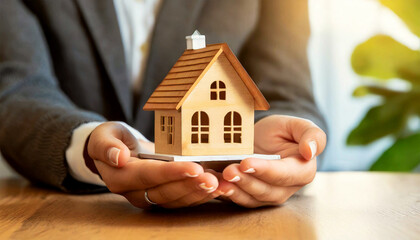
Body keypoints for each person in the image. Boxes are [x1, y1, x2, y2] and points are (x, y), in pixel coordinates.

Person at [0, 0, 327, 208]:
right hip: (68, 212)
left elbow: (290, 93)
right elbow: (18, 89)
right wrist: (85, 144)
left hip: (223, 210)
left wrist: (290, 145)